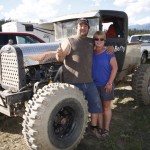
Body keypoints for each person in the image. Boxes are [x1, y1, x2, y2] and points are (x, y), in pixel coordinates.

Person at [56, 18, 114, 139]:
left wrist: (110, 47)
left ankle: (92, 128)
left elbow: (100, 44)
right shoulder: (69, 40)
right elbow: (61, 58)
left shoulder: (90, 41)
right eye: (80, 26)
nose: (83, 28)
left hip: (89, 81)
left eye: (85, 26)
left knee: (96, 106)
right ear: (76, 28)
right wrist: (59, 55)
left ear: (88, 29)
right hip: (74, 83)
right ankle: (70, 131)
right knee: (72, 108)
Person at [92, 31, 118, 137]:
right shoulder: (91, 53)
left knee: (106, 108)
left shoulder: (109, 53)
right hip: (94, 85)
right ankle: (100, 127)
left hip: (106, 85)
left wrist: (109, 83)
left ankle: (106, 129)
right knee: (98, 108)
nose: (99, 41)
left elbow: (115, 68)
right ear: (94, 40)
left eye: (101, 39)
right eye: (96, 39)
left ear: (104, 41)